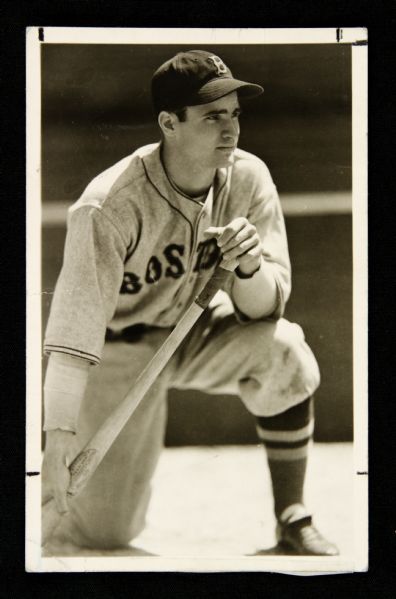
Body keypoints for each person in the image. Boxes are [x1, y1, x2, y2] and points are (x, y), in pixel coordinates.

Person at [42, 50, 339, 556]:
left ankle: (292, 516)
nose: (231, 129)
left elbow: (264, 311)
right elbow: (74, 334)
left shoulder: (248, 178)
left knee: (285, 350)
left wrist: (248, 267)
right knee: (104, 534)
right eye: (211, 116)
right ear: (169, 123)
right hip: (118, 351)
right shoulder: (109, 204)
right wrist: (58, 437)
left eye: (234, 114)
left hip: (195, 330)